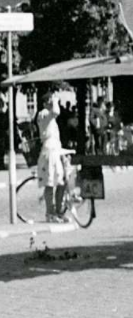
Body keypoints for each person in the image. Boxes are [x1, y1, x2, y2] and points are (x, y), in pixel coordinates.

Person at [36, 92, 67, 223]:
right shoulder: (43, 113)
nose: (52, 102)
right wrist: (55, 100)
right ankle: (50, 213)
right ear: (44, 103)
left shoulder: (50, 118)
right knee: (50, 183)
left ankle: (59, 211)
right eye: (49, 100)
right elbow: (55, 111)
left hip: (55, 150)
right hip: (49, 151)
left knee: (61, 181)